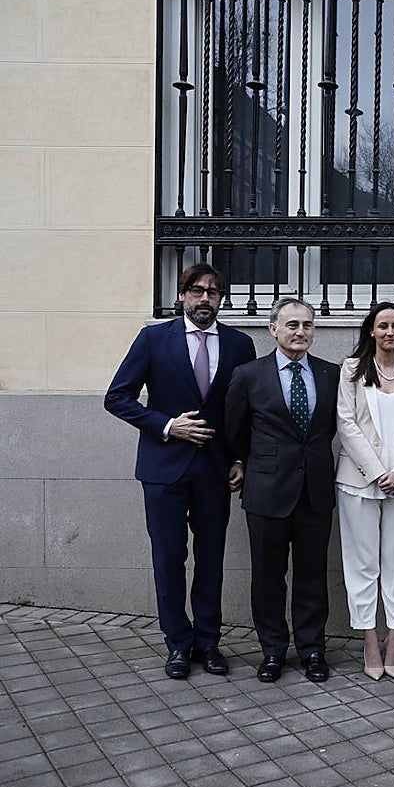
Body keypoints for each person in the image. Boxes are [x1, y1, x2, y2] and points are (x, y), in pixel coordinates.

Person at [105, 264, 256, 679]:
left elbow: (241, 413)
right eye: (196, 291)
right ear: (182, 296)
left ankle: (208, 642)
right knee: (169, 557)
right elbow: (117, 397)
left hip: (214, 470)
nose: (204, 298)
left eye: (213, 291)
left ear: (221, 298)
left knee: (211, 559)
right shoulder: (154, 339)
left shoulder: (240, 345)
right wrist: (168, 425)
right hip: (163, 468)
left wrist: (239, 458)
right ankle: (177, 643)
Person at [226, 298, 340, 684]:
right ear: (273, 329)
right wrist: (243, 462)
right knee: (268, 576)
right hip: (266, 491)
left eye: (307, 325)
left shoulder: (330, 374)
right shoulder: (248, 375)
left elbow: (333, 429)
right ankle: (273, 651)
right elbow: (235, 429)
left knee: (312, 575)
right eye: (292, 325)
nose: (300, 332)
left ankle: (312, 650)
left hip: (315, 492)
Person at [335, 302, 394, 680]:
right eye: (383, 326)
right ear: (371, 331)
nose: (390, 332)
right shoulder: (351, 371)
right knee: (362, 567)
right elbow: (346, 424)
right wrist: (377, 473)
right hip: (358, 484)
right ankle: (369, 641)